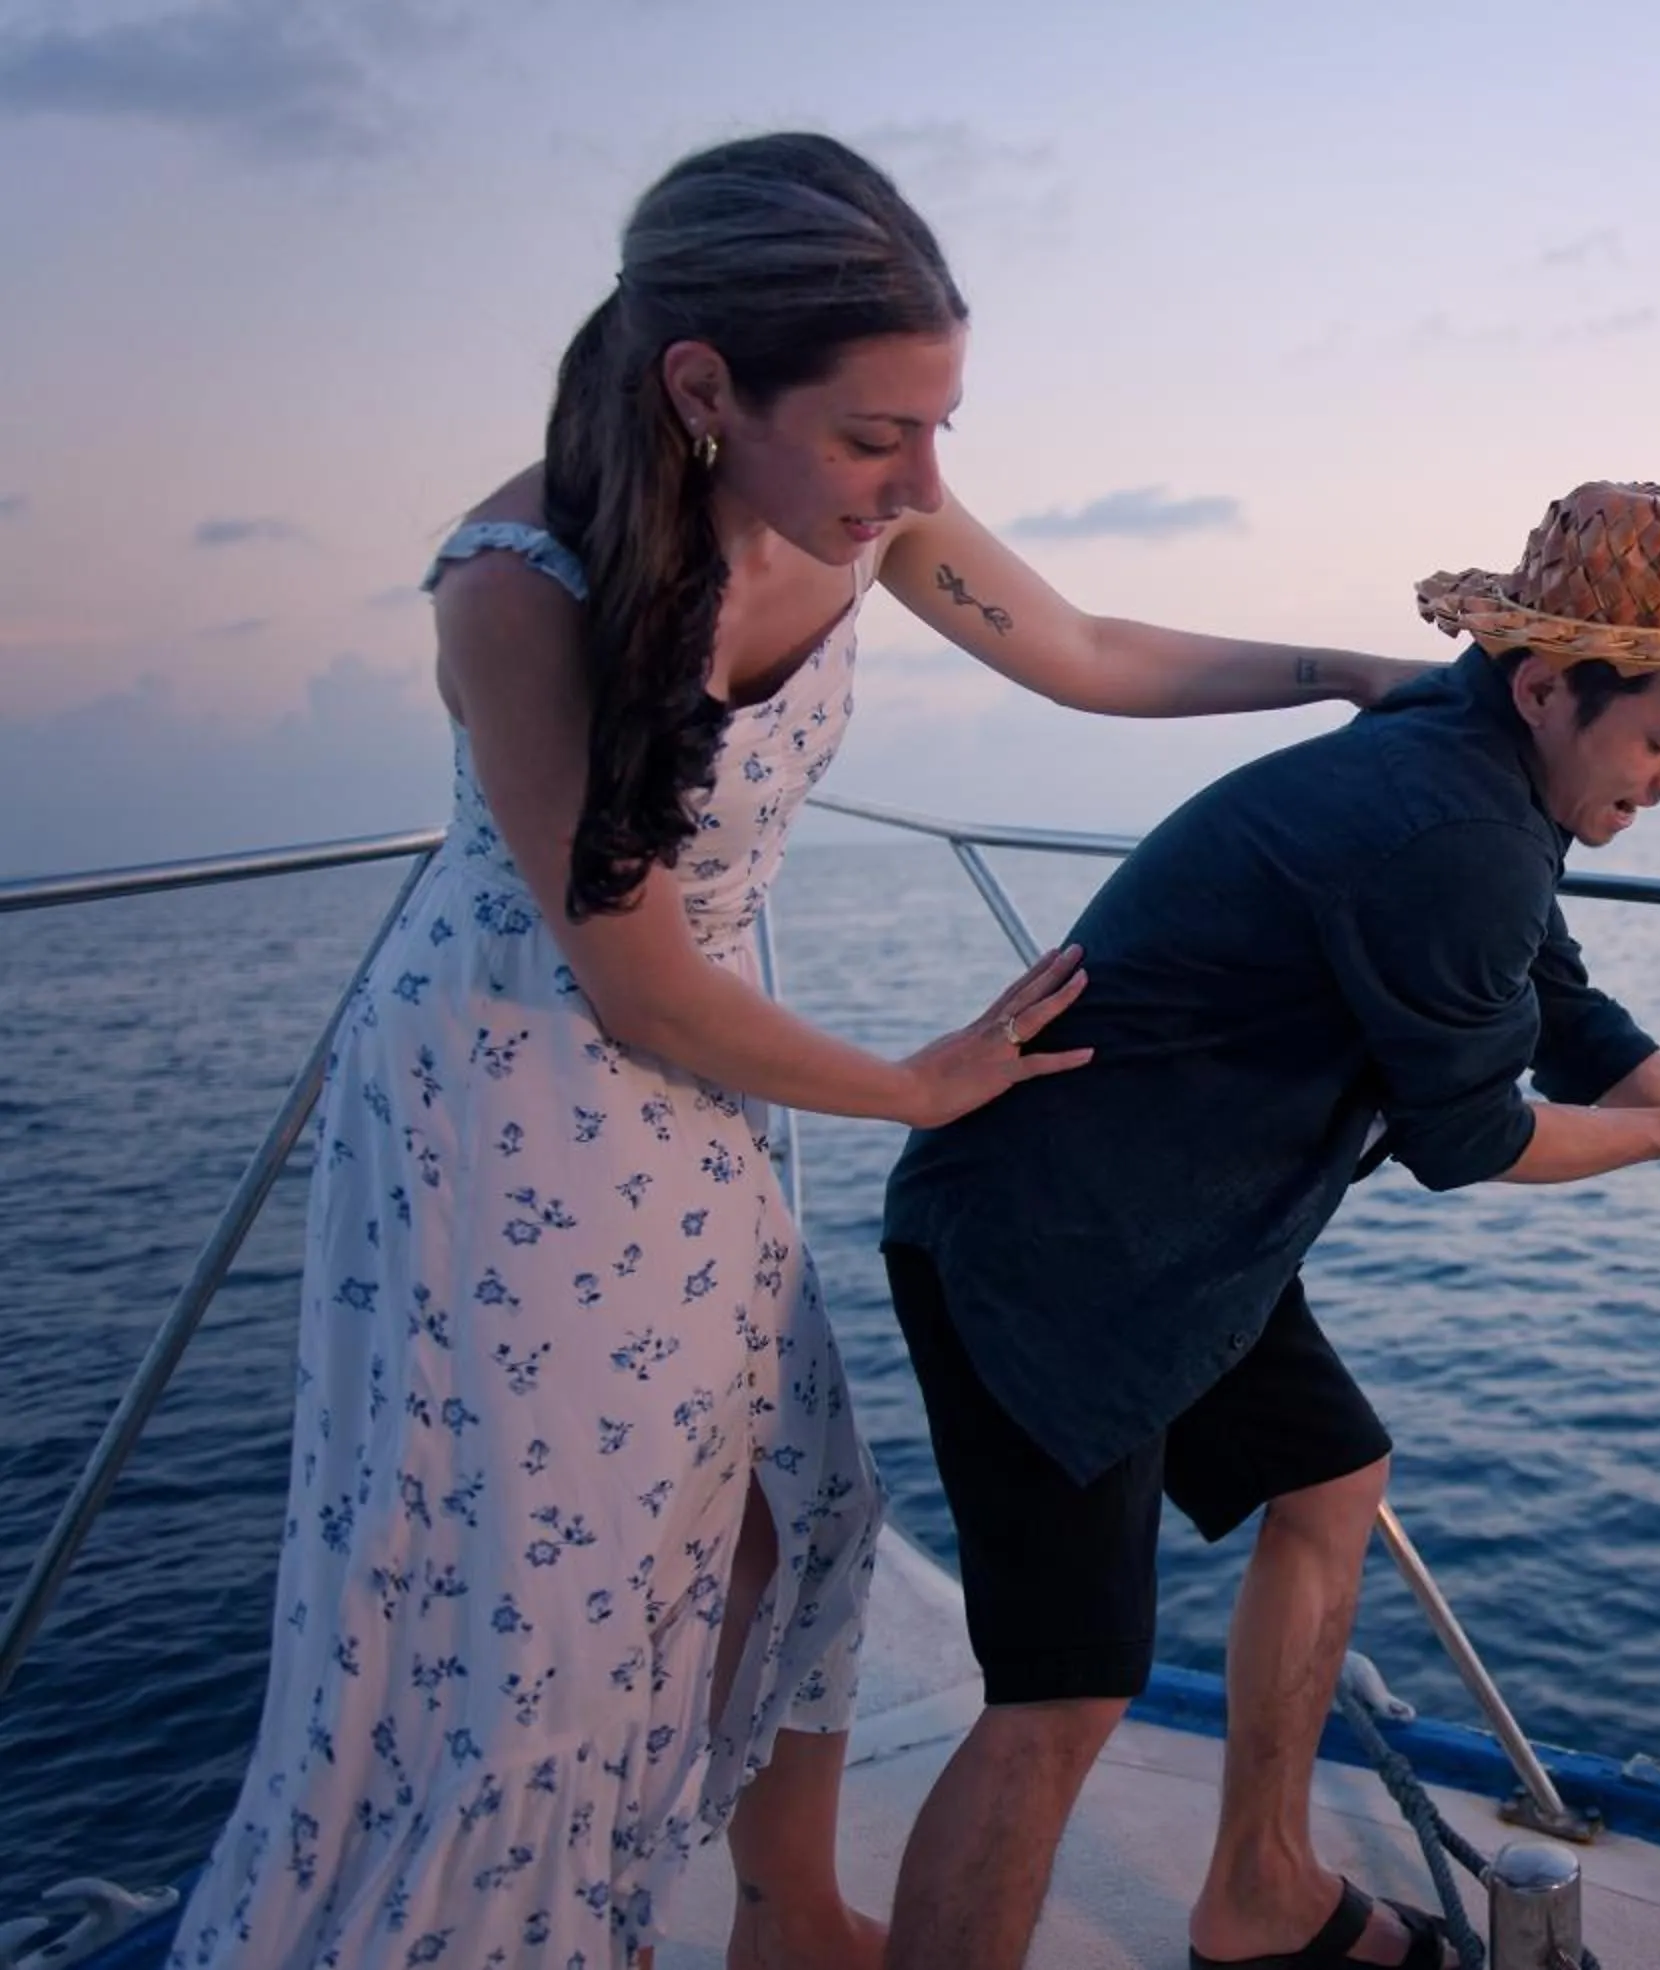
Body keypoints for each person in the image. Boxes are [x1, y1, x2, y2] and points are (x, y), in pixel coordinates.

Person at [167, 131, 1426, 1970]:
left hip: (708, 1091)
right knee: (560, 1600)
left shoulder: (861, 509)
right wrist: (921, 1083)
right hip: (520, 1095)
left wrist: (1348, 674)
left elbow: (1081, 647)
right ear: (705, 391)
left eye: (940, 428)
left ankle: (789, 1914)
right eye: (876, 436)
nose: (921, 483)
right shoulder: (517, 588)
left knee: (795, 1510)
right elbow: (633, 985)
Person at [879, 480, 1660, 1970]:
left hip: (1184, 1231)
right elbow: (1473, 1139)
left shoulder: (1481, 771)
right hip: (1051, 1252)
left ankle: (1261, 1891)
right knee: (1061, 1694)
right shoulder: (1454, 825)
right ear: (1546, 686)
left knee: (1331, 1475)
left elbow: (1562, 1013)